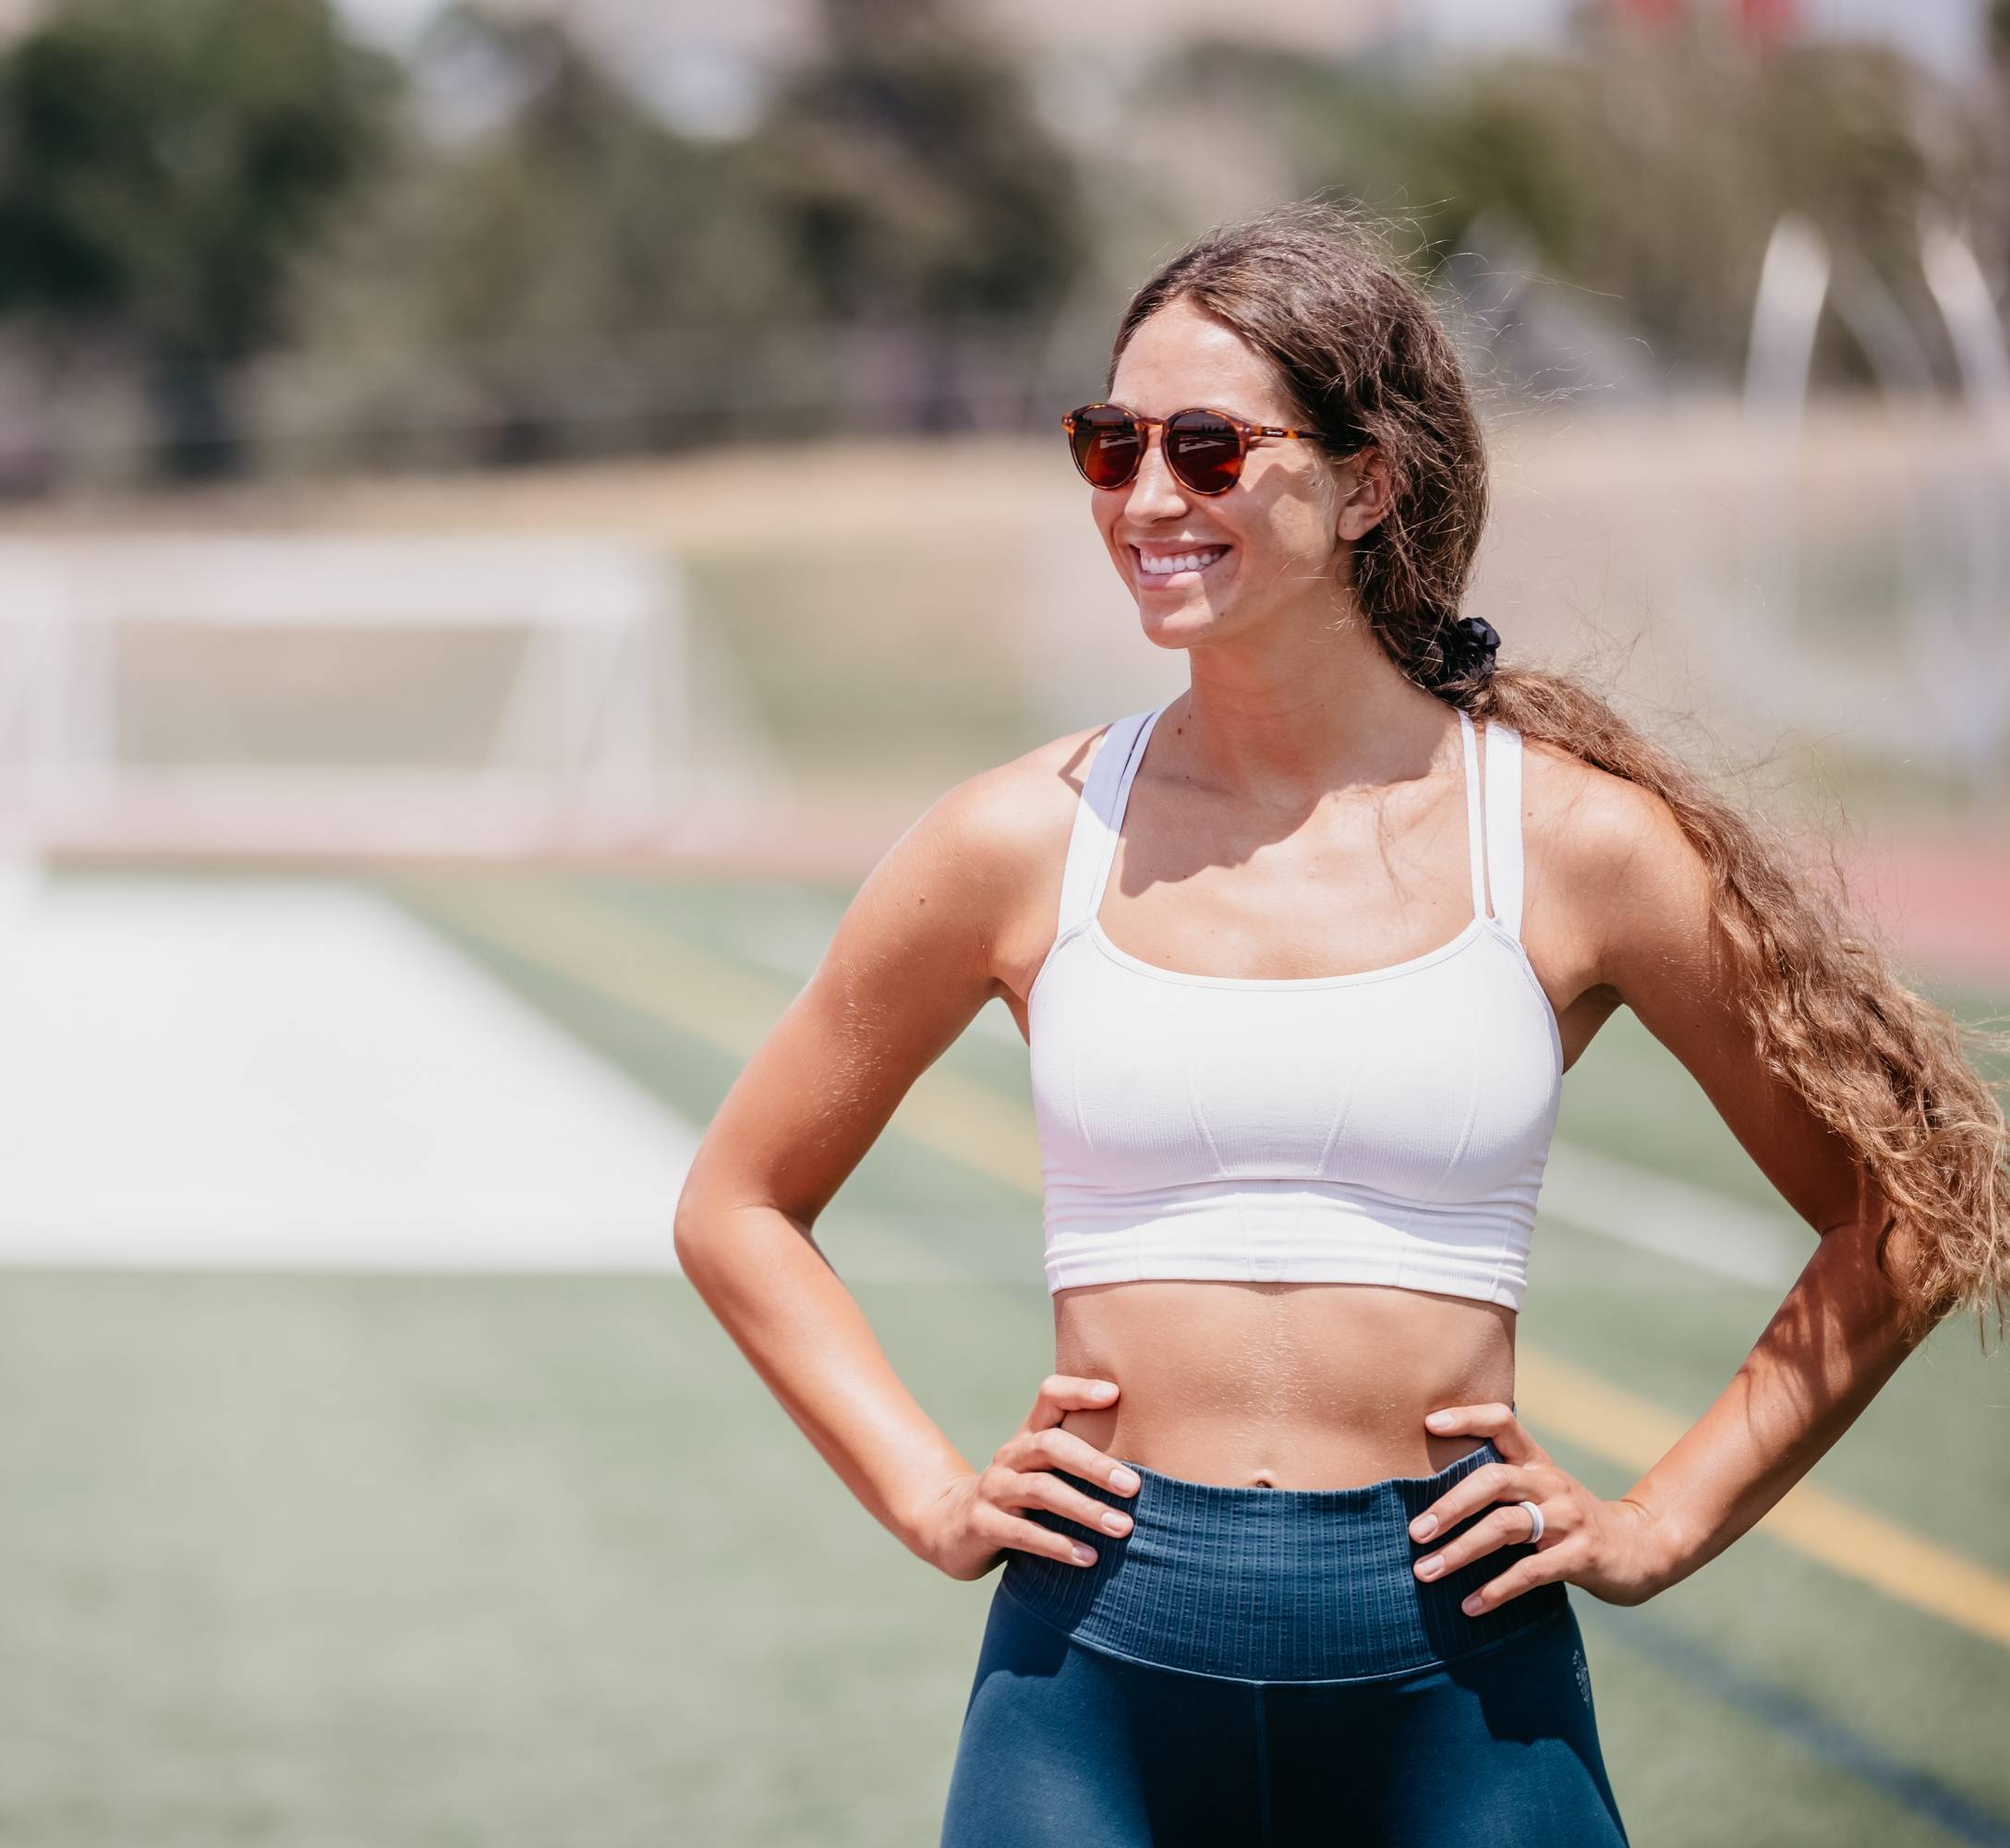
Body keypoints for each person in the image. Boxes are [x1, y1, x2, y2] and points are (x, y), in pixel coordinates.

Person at [669, 198, 2010, 1848]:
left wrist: (1664, 1521)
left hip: (1462, 1686)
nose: (1147, 496)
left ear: (1367, 479)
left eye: (1209, 449)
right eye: (1111, 443)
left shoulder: (1570, 842)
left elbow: (1903, 1205)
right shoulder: (1018, 838)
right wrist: (932, 1492)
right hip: (1089, 1676)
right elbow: (737, 1203)